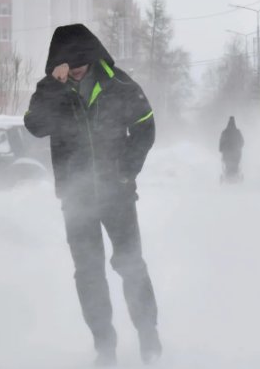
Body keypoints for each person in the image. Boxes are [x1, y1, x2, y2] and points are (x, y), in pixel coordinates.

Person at [24, 24, 161, 366]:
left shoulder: (119, 83)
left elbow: (146, 125)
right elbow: (35, 126)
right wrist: (55, 89)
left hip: (117, 195)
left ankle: (149, 338)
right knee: (88, 271)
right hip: (76, 198)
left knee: (131, 265)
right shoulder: (49, 89)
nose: (77, 68)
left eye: (81, 61)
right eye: (69, 63)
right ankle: (104, 345)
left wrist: (126, 170)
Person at [219, 116, 244, 182]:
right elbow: (242, 141)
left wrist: (221, 149)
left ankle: (228, 175)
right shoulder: (237, 132)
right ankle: (235, 175)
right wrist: (239, 146)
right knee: (236, 164)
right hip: (236, 153)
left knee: (227, 164)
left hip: (226, 153)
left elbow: (221, 141)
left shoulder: (224, 132)